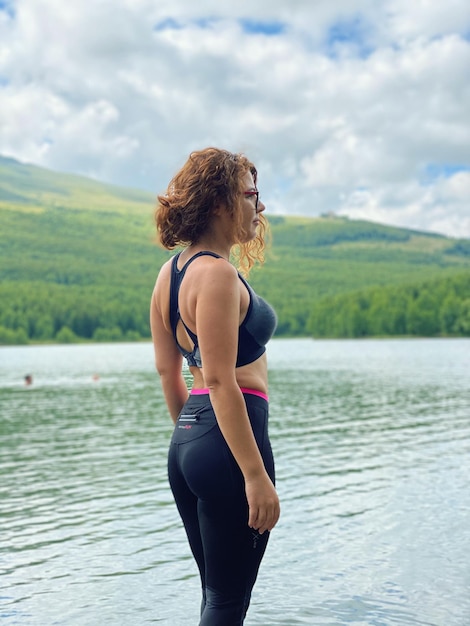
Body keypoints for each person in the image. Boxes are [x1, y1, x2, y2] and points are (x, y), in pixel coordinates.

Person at [150, 147, 280, 625]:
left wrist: (194, 435)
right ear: (222, 203)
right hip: (230, 442)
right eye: (251, 195)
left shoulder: (170, 274)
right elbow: (223, 379)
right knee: (228, 603)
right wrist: (253, 474)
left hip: (188, 440)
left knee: (215, 595)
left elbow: (170, 372)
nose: (259, 207)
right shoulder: (219, 275)